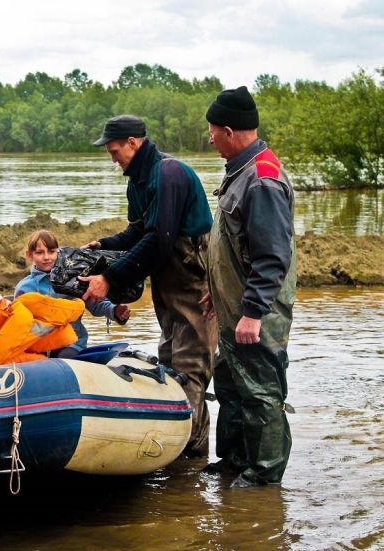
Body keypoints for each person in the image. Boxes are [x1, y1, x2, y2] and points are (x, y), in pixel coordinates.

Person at [81, 114, 217, 459]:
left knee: (190, 369)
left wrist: (110, 278)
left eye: (114, 151)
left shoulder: (167, 174)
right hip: (168, 278)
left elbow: (159, 240)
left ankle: (192, 466)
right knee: (169, 360)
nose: (113, 159)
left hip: (192, 274)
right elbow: (139, 232)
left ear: (133, 142)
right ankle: (177, 455)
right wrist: (105, 245)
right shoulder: (138, 180)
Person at [200, 86, 296, 487]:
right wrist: (214, 288)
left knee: (260, 393)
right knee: (231, 387)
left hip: (255, 313)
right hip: (232, 306)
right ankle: (236, 460)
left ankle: (265, 475)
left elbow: (272, 256)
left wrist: (253, 312)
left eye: (211, 131)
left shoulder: (263, 178)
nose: (209, 138)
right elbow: (233, 245)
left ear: (228, 130)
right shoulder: (240, 171)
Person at [16, 229, 130, 358]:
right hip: (37, 344)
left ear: (58, 252)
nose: (46, 257)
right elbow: (18, 321)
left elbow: (96, 305)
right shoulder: (24, 288)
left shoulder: (73, 280)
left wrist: (114, 310)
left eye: (51, 251)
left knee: (65, 357)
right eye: (40, 252)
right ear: (29, 255)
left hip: (71, 343)